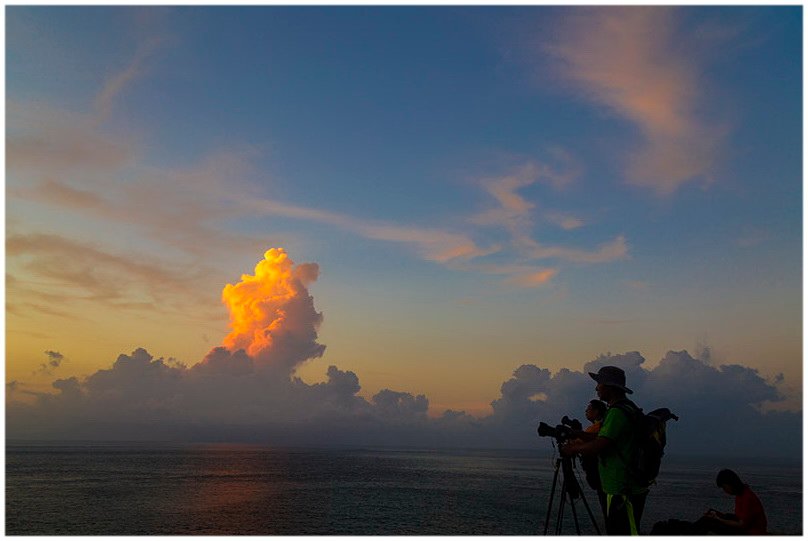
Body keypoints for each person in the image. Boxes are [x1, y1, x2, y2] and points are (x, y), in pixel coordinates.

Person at [561, 366, 648, 535]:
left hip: (622, 488)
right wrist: (577, 434)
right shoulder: (627, 408)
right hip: (623, 486)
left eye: (599, 384)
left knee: (624, 533)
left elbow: (599, 444)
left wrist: (572, 449)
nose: (596, 388)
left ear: (608, 386)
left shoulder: (617, 412)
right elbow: (602, 437)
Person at [693, 469, 768, 535]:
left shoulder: (747, 497)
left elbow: (741, 525)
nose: (725, 490)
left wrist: (718, 519)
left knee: (709, 522)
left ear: (730, 484)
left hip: (750, 533)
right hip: (746, 529)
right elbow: (739, 518)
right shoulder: (741, 494)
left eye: (724, 487)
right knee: (712, 514)